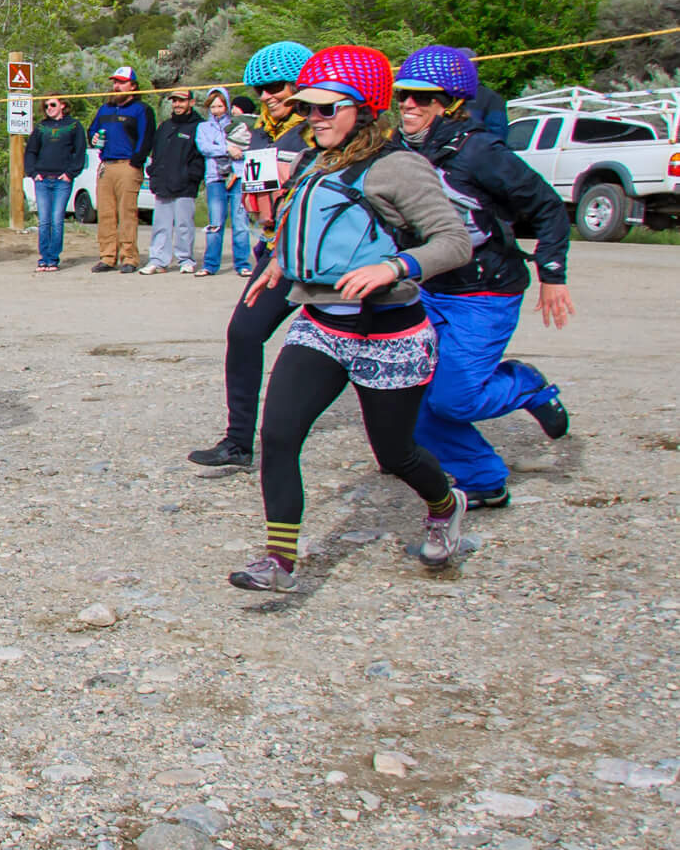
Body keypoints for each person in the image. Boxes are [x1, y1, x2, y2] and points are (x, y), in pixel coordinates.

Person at [229, 45, 474, 593]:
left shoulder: (400, 167)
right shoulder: (319, 159)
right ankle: (280, 559)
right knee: (279, 434)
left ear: (364, 107)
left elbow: (455, 243)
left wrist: (395, 267)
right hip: (321, 325)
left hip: (389, 332)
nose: (311, 120)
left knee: (395, 453)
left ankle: (444, 502)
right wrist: (281, 269)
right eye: (307, 109)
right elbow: (308, 227)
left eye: (325, 109)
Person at [392, 45, 573, 510]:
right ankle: (484, 479)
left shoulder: (480, 151)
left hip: (484, 290)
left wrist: (552, 272)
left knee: (455, 401)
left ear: (449, 102)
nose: (409, 105)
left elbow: (548, 208)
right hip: (428, 288)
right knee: (407, 397)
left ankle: (526, 384)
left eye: (423, 98)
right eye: (404, 96)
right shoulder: (396, 148)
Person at [188, 41, 313, 467]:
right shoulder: (261, 130)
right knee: (243, 333)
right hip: (279, 250)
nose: (266, 96)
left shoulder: (320, 129)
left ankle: (401, 448)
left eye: (275, 86)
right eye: (259, 89)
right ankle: (239, 441)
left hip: (326, 255)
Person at [85, 67, 153, 272]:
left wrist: (136, 162)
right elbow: (92, 130)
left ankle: (129, 257)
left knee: (127, 213)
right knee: (105, 213)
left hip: (127, 166)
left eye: (121, 82)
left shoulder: (141, 109)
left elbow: (146, 137)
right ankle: (107, 256)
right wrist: (94, 137)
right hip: (106, 165)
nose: (117, 86)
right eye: (115, 82)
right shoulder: (105, 109)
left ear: (132, 85)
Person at [23, 94, 86, 271]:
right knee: (44, 220)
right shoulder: (41, 127)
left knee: (57, 219)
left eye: (52, 105)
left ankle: (53, 258)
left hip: (61, 181)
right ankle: (44, 257)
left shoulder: (73, 125)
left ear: (63, 105)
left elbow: (79, 152)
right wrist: (33, 173)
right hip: (42, 180)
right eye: (46, 106)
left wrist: (70, 173)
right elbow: (31, 151)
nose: (48, 108)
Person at [143, 88, 203, 274]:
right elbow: (156, 153)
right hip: (163, 183)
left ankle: (185, 259)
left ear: (191, 103)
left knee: (184, 224)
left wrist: (190, 176)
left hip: (185, 185)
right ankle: (158, 260)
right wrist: (153, 173)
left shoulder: (199, 126)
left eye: (182, 101)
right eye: (175, 101)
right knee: (161, 225)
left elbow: (200, 157)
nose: (177, 104)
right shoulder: (165, 126)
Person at [196, 88, 252, 278]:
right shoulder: (203, 127)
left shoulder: (238, 124)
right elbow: (205, 148)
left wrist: (236, 150)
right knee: (215, 223)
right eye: (213, 106)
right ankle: (210, 264)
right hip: (215, 178)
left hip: (237, 176)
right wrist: (227, 148)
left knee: (240, 222)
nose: (216, 110)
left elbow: (245, 146)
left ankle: (243, 264)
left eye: (220, 106)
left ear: (227, 106)